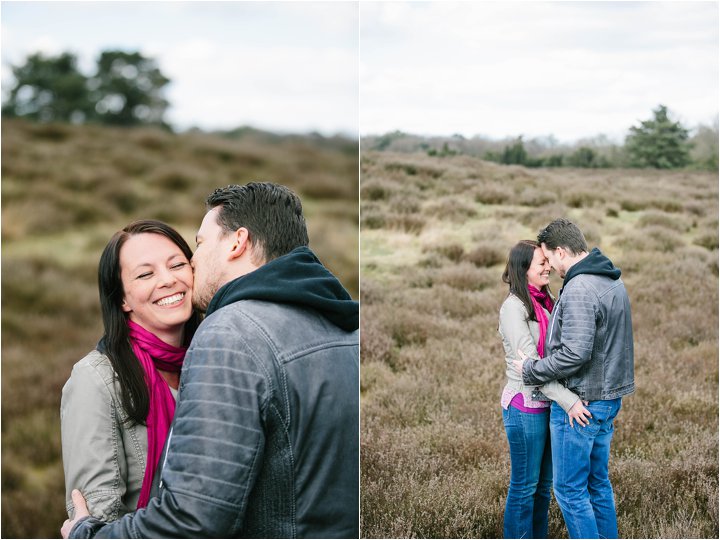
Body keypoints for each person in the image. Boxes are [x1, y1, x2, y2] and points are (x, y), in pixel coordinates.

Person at [62, 182, 359, 539]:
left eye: (197, 246)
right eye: (145, 274)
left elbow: (195, 518)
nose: (189, 264)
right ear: (121, 297)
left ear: (237, 242)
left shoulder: (228, 337)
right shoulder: (343, 327)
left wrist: (87, 536)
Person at [61, 220, 201, 521]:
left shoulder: (214, 360)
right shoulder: (94, 379)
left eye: (177, 265)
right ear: (122, 298)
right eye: (145, 274)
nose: (167, 280)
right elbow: (97, 514)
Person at [514, 219, 634, 539]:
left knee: (569, 490)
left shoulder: (580, 287)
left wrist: (532, 371)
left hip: (583, 402)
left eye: (549, 258)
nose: (550, 267)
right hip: (607, 398)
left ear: (562, 251)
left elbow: (575, 353)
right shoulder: (610, 280)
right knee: (597, 483)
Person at [499, 240, 590, 539]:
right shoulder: (513, 309)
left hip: (549, 408)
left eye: (547, 261)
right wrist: (569, 401)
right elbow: (532, 369)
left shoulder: (547, 301)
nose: (548, 267)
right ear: (523, 270)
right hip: (525, 408)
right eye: (541, 263)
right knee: (524, 487)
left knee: (542, 488)